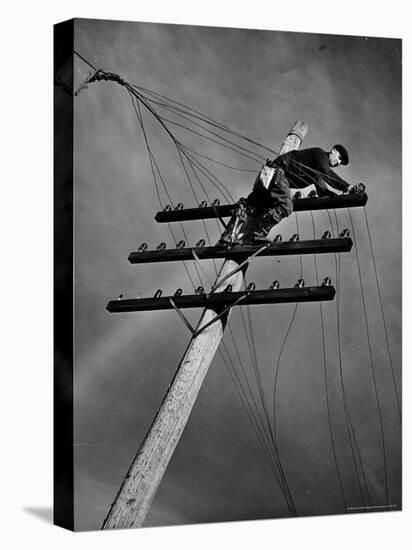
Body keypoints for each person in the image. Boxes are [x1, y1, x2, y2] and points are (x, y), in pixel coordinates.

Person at [218, 145, 364, 245]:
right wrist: (348, 187)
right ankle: (254, 235)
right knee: (286, 206)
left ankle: (227, 236)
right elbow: (327, 174)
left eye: (340, 162)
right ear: (333, 151)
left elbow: (321, 186)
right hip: (277, 173)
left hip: (270, 177)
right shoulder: (320, 155)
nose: (338, 163)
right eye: (339, 158)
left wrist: (334, 195)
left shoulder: (317, 168)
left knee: (251, 205)